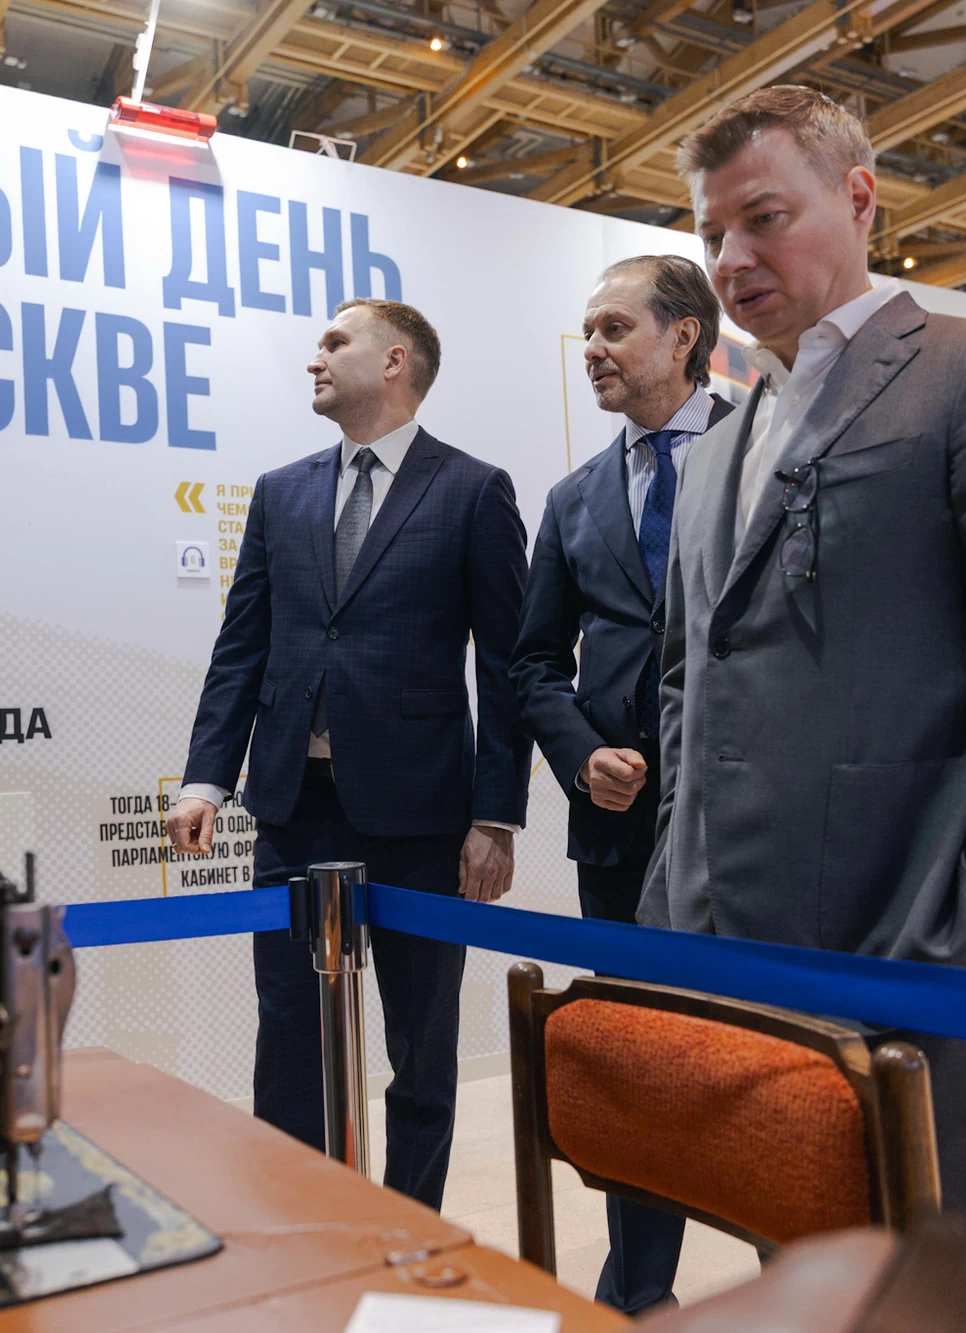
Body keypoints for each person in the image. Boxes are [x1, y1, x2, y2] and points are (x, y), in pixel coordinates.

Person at [640, 86, 966, 1300]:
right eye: (711, 233)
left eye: (763, 217)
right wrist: (680, 886)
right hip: (739, 954)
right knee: (809, 1269)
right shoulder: (715, 449)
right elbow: (687, 678)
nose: (731, 257)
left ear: (857, 199)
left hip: (921, 944)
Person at [164, 298, 531, 1209]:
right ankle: (303, 1225)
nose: (314, 358)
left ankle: (408, 1229)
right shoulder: (280, 491)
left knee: (421, 1047)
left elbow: (507, 669)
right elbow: (242, 648)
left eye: (335, 342)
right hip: (294, 807)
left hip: (423, 817)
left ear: (395, 360)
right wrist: (207, 776)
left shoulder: (473, 489)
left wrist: (495, 816)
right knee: (288, 1041)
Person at [510, 254, 732, 1314]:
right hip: (618, 826)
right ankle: (637, 1296)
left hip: (752, 821)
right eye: (587, 331)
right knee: (639, 1063)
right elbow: (529, 663)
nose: (591, 349)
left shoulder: (770, 447)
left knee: (776, 1061)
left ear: (682, 336)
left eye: (613, 328)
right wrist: (576, 752)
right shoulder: (571, 499)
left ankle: (807, 1286)